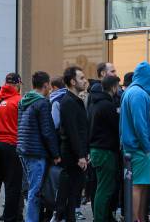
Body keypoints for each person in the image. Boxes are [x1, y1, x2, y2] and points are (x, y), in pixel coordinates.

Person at [18, 71, 61, 222]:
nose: (50, 87)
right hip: (36, 152)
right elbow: (47, 131)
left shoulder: (24, 100)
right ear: (45, 85)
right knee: (35, 191)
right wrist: (55, 154)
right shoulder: (42, 103)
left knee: (32, 188)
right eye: (49, 84)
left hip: (24, 149)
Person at [120, 61, 150, 222]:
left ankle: (138, 218)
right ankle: (136, 219)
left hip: (130, 147)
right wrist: (148, 149)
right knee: (138, 186)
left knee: (137, 185)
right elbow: (140, 124)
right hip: (139, 149)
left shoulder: (129, 92)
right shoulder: (139, 95)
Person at [0, 73, 23, 222]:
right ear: (18, 84)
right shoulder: (19, 101)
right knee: (12, 185)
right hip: (11, 145)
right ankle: (9, 218)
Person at [55, 66, 89, 222]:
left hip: (76, 154)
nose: (85, 80)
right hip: (71, 155)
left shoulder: (75, 100)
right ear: (72, 81)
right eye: (81, 78)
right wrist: (80, 155)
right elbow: (72, 131)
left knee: (73, 193)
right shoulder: (68, 101)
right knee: (69, 193)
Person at [88, 75, 120, 222]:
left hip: (97, 150)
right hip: (104, 151)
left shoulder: (96, 103)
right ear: (113, 87)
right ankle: (100, 218)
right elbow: (116, 127)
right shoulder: (107, 105)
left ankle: (104, 216)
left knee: (103, 186)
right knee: (104, 188)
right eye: (117, 86)